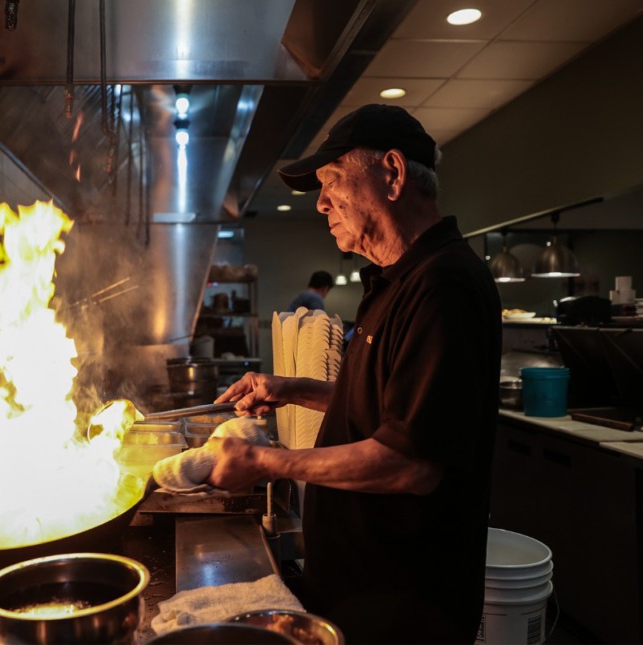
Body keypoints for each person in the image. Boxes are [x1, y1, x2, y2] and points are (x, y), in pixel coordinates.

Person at [208, 104, 502, 643]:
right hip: (359, 588)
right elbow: (383, 408)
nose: (321, 202)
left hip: (404, 605)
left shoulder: (444, 287)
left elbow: (410, 463)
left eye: (333, 181)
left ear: (392, 173)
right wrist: (290, 388)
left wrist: (263, 461)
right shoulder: (394, 282)